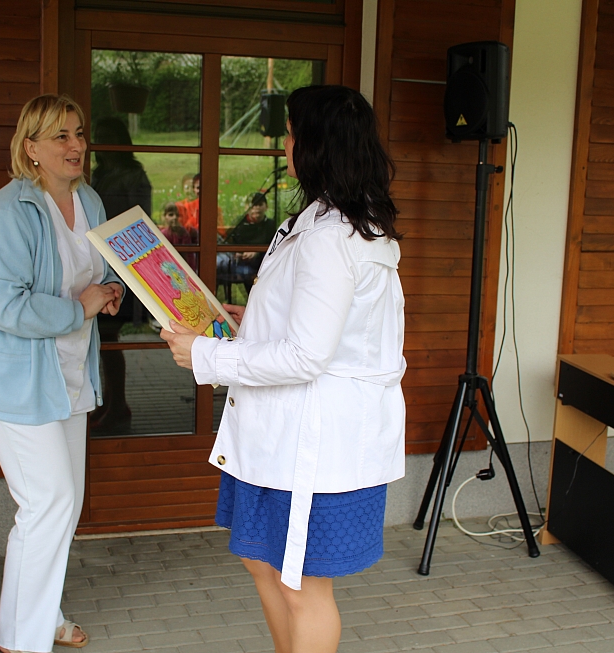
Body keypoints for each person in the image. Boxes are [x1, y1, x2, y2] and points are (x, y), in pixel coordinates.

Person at [161, 85, 405, 653]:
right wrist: (248, 319)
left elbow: (306, 354)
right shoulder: (328, 220)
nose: (285, 146)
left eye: (292, 135)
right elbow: (321, 324)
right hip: (283, 437)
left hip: (314, 444)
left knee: (300, 585)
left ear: (316, 145)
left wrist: (205, 356)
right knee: (261, 562)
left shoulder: (331, 236)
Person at [0, 94, 124, 653]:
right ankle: (18, 642)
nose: (76, 145)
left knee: (63, 506)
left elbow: (97, 273)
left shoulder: (90, 201)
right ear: (30, 147)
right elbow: (2, 307)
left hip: (70, 375)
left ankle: (46, 615)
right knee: (46, 504)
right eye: (61, 136)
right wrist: (79, 307)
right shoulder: (7, 213)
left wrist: (109, 293)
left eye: (79, 133)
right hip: (16, 384)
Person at [90, 116, 153, 432]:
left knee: (109, 338)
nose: (102, 145)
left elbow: (141, 221)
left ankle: (118, 407)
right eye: (98, 137)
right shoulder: (98, 173)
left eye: (107, 137)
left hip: (120, 266)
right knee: (100, 341)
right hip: (96, 263)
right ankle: (109, 403)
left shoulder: (133, 175)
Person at [219, 192, 276, 293]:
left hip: (262, 264)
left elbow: (274, 247)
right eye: (253, 205)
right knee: (247, 273)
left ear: (266, 207)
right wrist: (238, 253)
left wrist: (257, 252)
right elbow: (230, 243)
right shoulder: (239, 224)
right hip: (241, 263)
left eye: (260, 204)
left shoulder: (271, 225)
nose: (256, 208)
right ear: (246, 207)